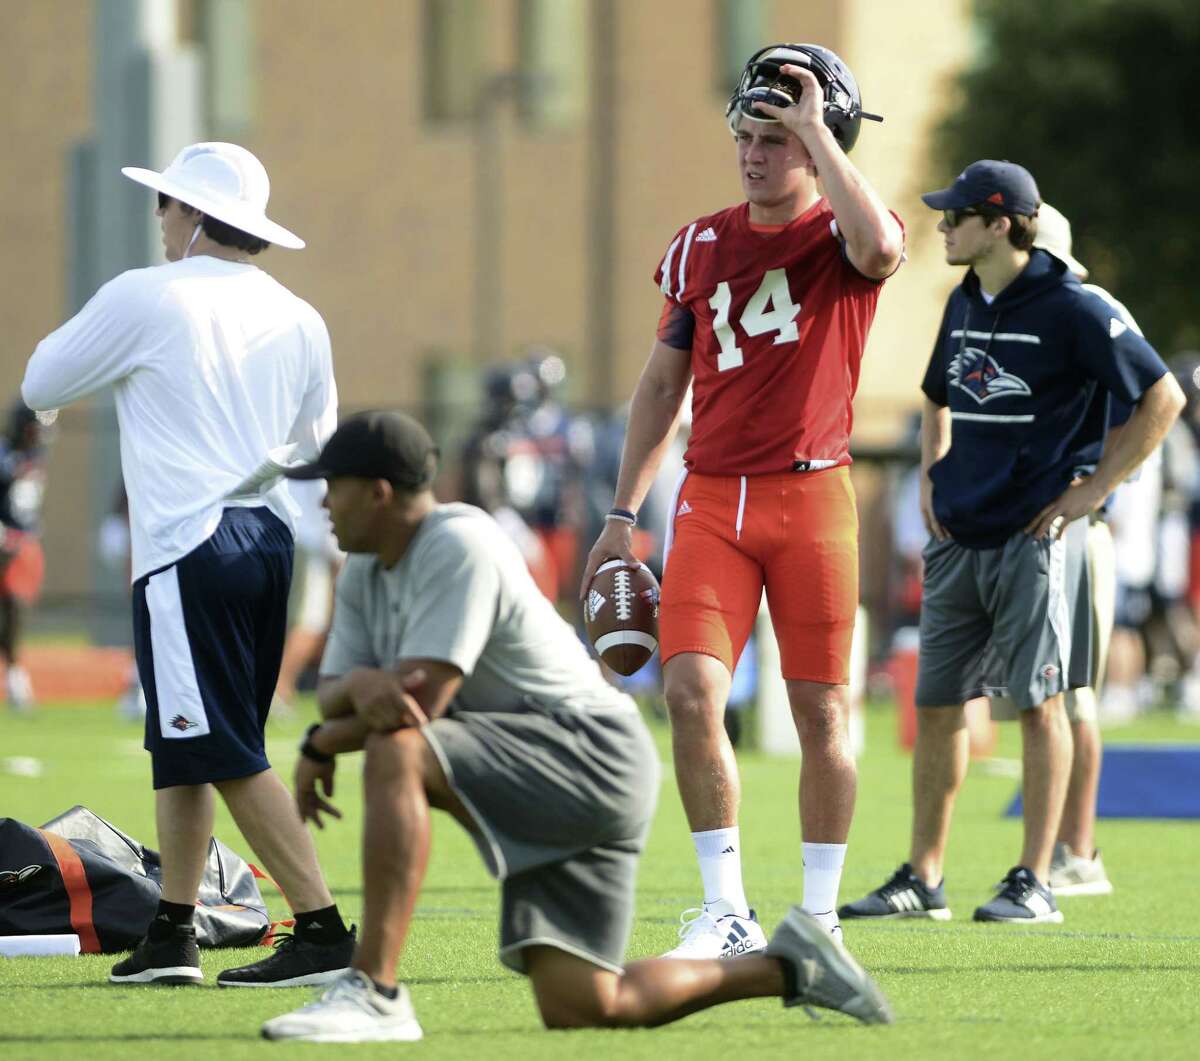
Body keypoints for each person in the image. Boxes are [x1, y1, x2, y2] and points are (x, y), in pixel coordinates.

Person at [259, 411, 892, 1042]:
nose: (321, 504)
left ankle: (375, 990)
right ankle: (792, 968)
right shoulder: (366, 566)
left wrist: (329, 733)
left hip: (590, 755)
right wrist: (346, 710)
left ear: (378, 492)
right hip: (537, 759)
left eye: (331, 485)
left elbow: (417, 705)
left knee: (399, 753)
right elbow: (343, 693)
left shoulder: (458, 544)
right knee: (587, 1005)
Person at [579, 42, 904, 956]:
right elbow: (659, 387)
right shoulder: (700, 243)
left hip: (814, 497)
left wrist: (817, 128)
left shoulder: (845, 232)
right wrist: (619, 511)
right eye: (748, 134)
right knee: (689, 691)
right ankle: (726, 908)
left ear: (816, 144)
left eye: (776, 137)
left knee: (824, 713)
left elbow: (879, 246)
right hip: (714, 496)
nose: (755, 153)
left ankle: (821, 915)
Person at [21, 142, 353, 986]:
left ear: (195, 215)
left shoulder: (148, 294)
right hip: (268, 539)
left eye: (165, 204)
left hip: (186, 545)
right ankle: (173, 929)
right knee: (188, 746)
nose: (159, 220)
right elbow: (318, 446)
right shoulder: (301, 315)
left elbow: (40, 381)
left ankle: (321, 929)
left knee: (226, 749)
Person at [840, 161, 1183, 925]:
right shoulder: (966, 299)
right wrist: (931, 477)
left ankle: (1035, 879)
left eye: (957, 215)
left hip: (1036, 539)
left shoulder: (1074, 305)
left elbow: (1163, 395)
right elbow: (936, 398)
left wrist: (1096, 489)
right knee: (935, 705)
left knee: (1041, 703)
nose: (943, 226)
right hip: (960, 537)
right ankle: (923, 878)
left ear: (1001, 224)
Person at [987, 202, 1150, 896]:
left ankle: (1078, 851)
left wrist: (1093, 487)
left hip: (1081, 529)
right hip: (1050, 526)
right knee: (1053, 693)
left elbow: (1148, 407)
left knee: (1071, 695)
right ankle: (1066, 847)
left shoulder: (1086, 312)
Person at [0, 401, 54, 712]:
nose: (39, 436)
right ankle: (14, 673)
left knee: (16, 605)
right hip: (4, 538)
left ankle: (15, 673)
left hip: (24, 542)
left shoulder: (35, 454)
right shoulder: (4, 453)